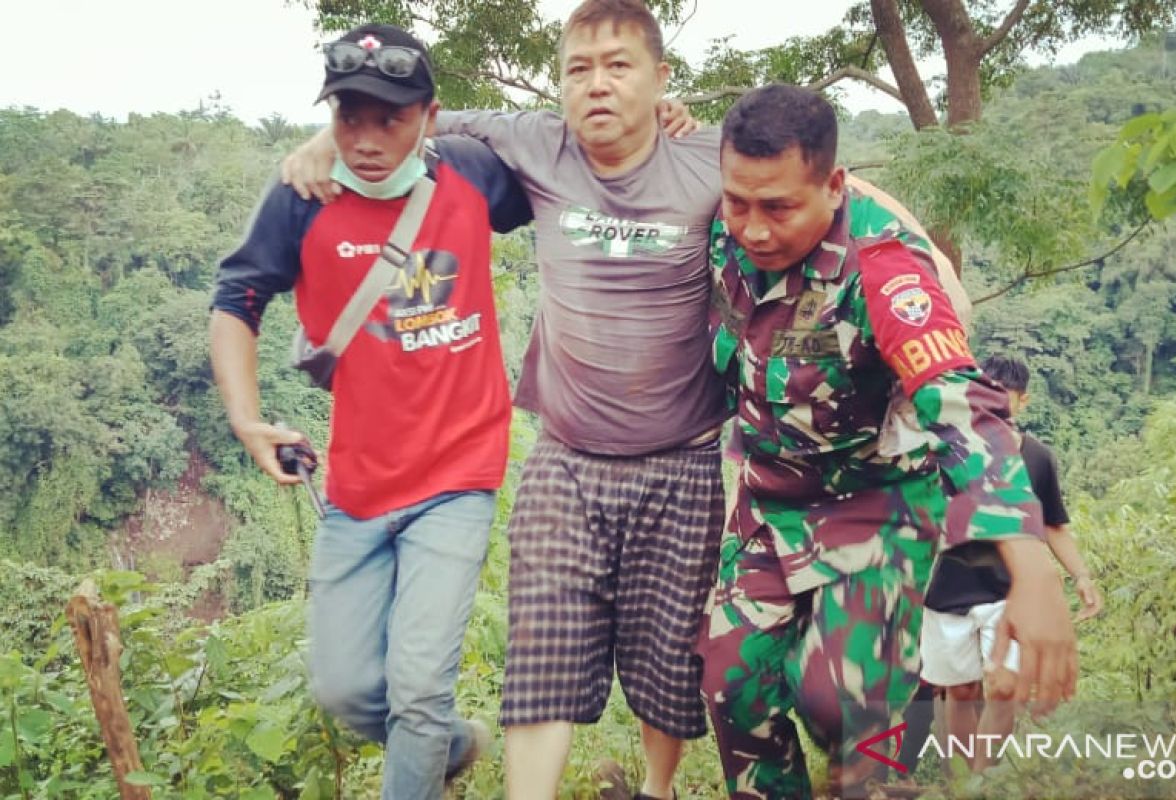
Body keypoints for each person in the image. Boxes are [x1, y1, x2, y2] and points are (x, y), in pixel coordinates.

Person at [282, 5, 968, 798]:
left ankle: (658, 788)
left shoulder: (711, 159)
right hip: (565, 457)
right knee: (541, 655)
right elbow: (415, 119)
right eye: (579, 68)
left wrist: (925, 269)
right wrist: (327, 139)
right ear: (561, 82)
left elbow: (816, 187)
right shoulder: (536, 141)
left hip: (682, 463)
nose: (597, 84)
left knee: (675, 663)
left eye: (619, 66)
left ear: (658, 80)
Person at [697, 84, 1078, 799]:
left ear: (834, 185)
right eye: (737, 203)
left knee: (840, 701)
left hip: (876, 507)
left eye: (778, 207)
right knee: (732, 684)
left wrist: (1032, 566)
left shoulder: (886, 269)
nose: (752, 229)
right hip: (769, 502)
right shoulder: (733, 212)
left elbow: (962, 404)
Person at [209, 24, 531, 800]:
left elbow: (572, 170)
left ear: (430, 114)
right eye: (348, 116)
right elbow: (237, 299)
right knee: (349, 691)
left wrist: (672, 126)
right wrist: (247, 419)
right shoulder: (302, 197)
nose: (366, 138)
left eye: (390, 117)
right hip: (357, 485)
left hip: (460, 474)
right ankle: (450, 745)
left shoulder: (473, 175)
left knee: (417, 690)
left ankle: (426, 738)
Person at [916, 354, 1103, 773]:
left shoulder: (1038, 458)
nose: (996, 406)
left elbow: (1053, 524)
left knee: (1006, 690)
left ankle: (983, 778)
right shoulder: (949, 452)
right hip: (949, 589)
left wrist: (1082, 576)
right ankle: (963, 777)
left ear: (1023, 402)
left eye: (1006, 397)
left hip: (1012, 592)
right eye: (987, 396)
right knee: (959, 691)